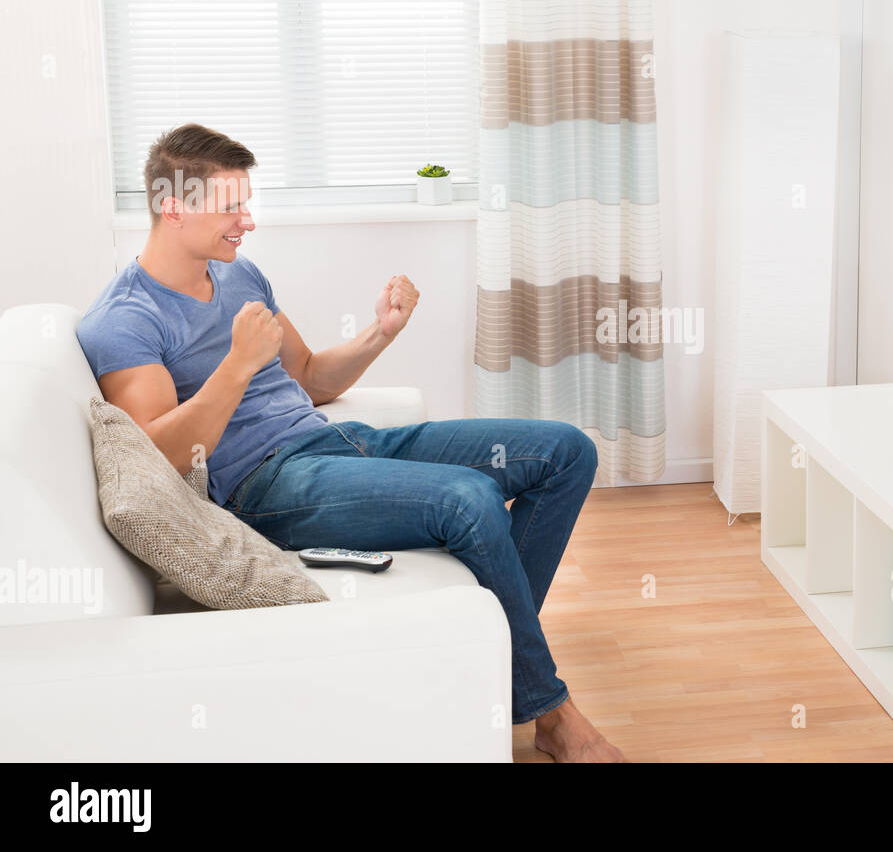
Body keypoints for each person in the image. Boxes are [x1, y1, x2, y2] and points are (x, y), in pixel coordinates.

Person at [76, 123, 624, 763]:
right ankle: (550, 712)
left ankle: (491, 669)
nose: (247, 222)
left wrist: (381, 332)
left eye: (246, 204)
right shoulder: (125, 319)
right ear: (173, 207)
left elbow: (308, 379)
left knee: (564, 453)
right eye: (231, 207)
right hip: (265, 488)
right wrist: (234, 366)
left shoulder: (240, 275)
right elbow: (163, 458)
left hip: (334, 442)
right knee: (469, 498)